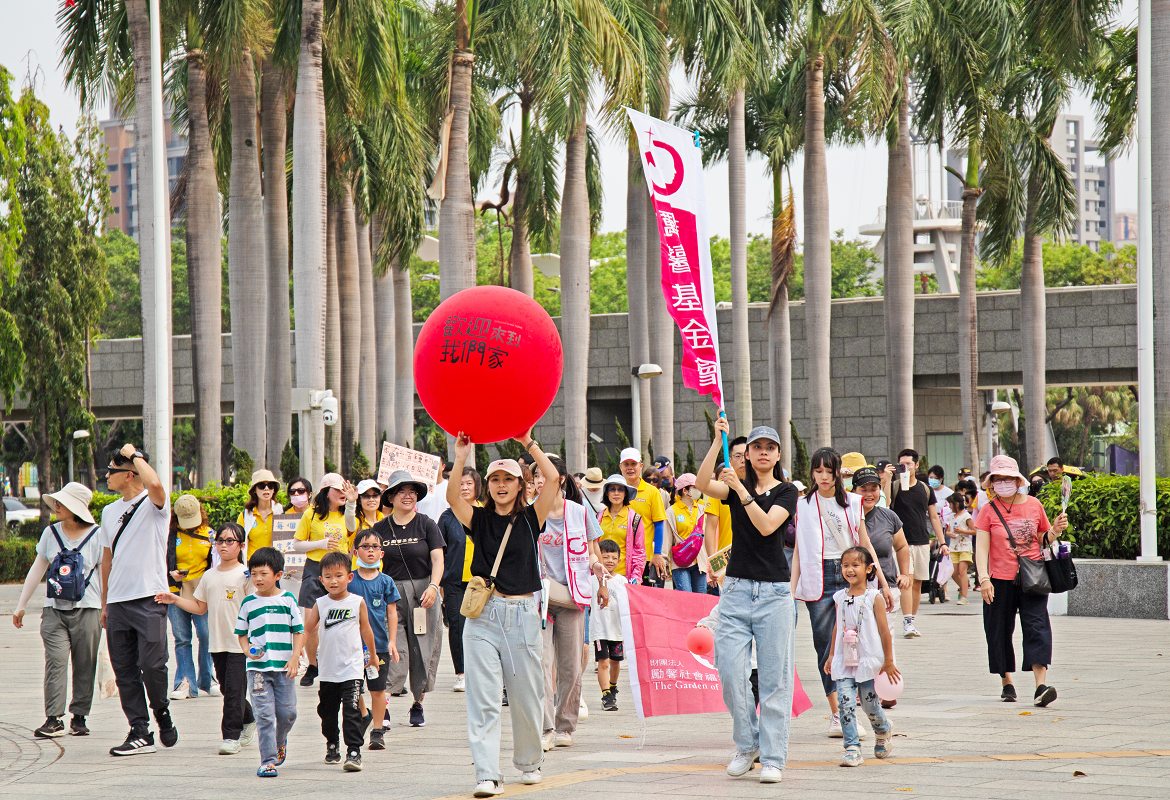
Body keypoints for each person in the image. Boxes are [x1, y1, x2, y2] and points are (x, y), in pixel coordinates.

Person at [447, 432, 560, 797]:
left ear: (520, 484)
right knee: (482, 698)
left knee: (528, 697)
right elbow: (452, 497)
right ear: (487, 485)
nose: (500, 485)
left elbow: (555, 479)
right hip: (482, 616)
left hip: (523, 614)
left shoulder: (531, 517)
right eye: (494, 479)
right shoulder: (478, 519)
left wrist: (528, 443)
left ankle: (529, 763)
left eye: (507, 479)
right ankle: (487, 773)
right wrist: (460, 456)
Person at [696, 421, 799, 785]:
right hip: (736, 591)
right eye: (757, 447)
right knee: (729, 673)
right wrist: (714, 442)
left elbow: (768, 525)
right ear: (748, 454)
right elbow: (699, 482)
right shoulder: (731, 488)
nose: (764, 452)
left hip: (774, 593)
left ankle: (773, 757)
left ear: (778, 454)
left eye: (770, 447)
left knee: (774, 680)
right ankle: (746, 744)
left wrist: (740, 489)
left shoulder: (787, 492)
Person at [792, 448, 893, 737]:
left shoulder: (852, 502)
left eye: (829, 471)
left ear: (839, 472)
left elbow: (865, 543)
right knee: (827, 646)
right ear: (811, 473)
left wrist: (883, 583)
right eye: (818, 471)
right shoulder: (803, 505)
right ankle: (838, 713)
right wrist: (791, 590)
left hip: (853, 574)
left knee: (863, 642)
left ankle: (868, 705)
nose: (823, 477)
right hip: (818, 576)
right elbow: (799, 548)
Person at [99, 444, 178, 756]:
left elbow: (155, 484)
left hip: (149, 598)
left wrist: (136, 455)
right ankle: (139, 729)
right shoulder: (108, 512)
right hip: (118, 601)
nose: (106, 476)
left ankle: (161, 712)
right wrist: (105, 603)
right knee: (124, 669)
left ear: (129, 474)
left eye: (111, 471)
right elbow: (107, 560)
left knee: (153, 664)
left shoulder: (153, 505)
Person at [154, 522, 256, 754]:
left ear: (240, 545)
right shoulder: (209, 576)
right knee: (229, 689)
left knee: (233, 691)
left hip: (240, 645)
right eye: (220, 541)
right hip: (217, 644)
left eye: (230, 541)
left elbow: (254, 608)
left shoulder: (246, 576)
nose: (224, 546)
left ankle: (231, 736)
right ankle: (249, 717)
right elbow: (200, 607)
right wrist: (175, 599)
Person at [974, 455, 1067, 707]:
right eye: (998, 479)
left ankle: (1040, 686)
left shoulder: (1034, 505)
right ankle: (1006, 681)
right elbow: (981, 548)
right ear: (992, 483)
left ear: (1018, 480)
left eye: (1008, 478)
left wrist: (1055, 531)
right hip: (998, 580)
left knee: (1037, 627)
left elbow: (1042, 538)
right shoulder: (988, 510)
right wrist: (984, 578)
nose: (1004, 483)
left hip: (1033, 576)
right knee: (998, 630)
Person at [13, 482, 103, 739]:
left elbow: (107, 573)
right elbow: (37, 569)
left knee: (85, 663)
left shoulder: (98, 535)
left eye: (62, 503)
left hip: (88, 608)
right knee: (56, 662)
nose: (57, 506)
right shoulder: (50, 533)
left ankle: (80, 716)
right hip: (54, 610)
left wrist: (108, 608)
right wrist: (21, 606)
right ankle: (54, 718)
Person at [533, 456, 606, 751]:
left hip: (572, 596)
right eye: (535, 475)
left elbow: (591, 551)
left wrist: (598, 572)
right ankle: (546, 726)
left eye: (545, 474)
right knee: (540, 664)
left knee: (570, 666)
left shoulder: (578, 512)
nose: (539, 480)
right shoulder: (530, 513)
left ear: (560, 478)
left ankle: (565, 725)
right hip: (538, 598)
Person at [371, 470, 445, 728]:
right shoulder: (379, 528)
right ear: (390, 497)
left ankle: (418, 703)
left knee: (423, 647)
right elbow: (368, 559)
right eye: (401, 491)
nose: (408, 496)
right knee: (394, 646)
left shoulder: (427, 524)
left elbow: (437, 558)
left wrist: (434, 587)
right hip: (390, 594)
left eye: (412, 491)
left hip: (424, 592)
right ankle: (386, 704)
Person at [303, 550, 379, 772]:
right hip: (327, 671)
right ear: (321, 580)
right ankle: (332, 744)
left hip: (352, 669)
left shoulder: (357, 602)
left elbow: (366, 630)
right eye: (328, 576)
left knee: (352, 710)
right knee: (327, 712)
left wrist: (373, 655)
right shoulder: (320, 603)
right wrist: (297, 651)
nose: (333, 581)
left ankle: (354, 751)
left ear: (349, 577)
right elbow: (307, 630)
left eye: (338, 575)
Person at [824, 547, 899, 767]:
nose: (849, 569)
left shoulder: (873, 597)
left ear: (868, 569)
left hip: (867, 658)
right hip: (844, 658)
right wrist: (831, 656)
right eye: (845, 565)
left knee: (869, 704)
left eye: (855, 565)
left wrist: (889, 661)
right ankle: (852, 748)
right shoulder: (839, 597)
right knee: (845, 703)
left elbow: (884, 631)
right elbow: (837, 627)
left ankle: (883, 729)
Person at [235, 547, 304, 777]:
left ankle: (279, 740)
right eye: (254, 574)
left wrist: (295, 656)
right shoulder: (248, 603)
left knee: (288, 713)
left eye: (263, 573)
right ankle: (268, 760)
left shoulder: (288, 600)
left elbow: (299, 631)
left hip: (284, 668)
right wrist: (247, 651)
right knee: (264, 714)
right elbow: (241, 633)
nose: (258, 579)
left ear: (277, 575)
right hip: (258, 670)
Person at [293, 473, 358, 687]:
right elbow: (297, 544)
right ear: (325, 491)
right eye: (337, 490)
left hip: (339, 569)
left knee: (341, 620)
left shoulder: (347, 513)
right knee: (311, 620)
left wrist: (351, 502)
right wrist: (319, 544)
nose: (341, 493)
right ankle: (312, 664)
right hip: (314, 569)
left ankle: (341, 663)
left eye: (344, 490)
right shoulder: (311, 514)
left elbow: (351, 527)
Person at [881, 449, 949, 638]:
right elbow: (885, 504)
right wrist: (886, 480)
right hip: (900, 542)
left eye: (909, 464)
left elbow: (934, 517)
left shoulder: (925, 488)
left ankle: (910, 620)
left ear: (917, 465)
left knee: (918, 583)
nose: (906, 467)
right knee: (905, 582)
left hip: (921, 540)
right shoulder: (894, 486)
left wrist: (942, 542)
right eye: (902, 464)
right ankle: (906, 619)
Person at [347, 530, 401, 750]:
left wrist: (392, 641)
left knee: (377, 690)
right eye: (365, 546)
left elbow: (392, 613)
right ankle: (363, 714)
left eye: (375, 547)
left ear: (382, 553)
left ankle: (377, 730)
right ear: (355, 551)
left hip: (378, 645)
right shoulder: (349, 579)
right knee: (354, 688)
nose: (370, 550)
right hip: (352, 646)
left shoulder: (386, 581)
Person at [166, 494, 215, 700]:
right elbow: (158, 560)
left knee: (206, 634)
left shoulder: (210, 534)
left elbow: (217, 561)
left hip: (202, 591)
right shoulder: (168, 534)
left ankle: (208, 678)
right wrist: (171, 572)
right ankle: (185, 680)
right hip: (176, 590)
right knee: (181, 637)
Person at [439, 467, 481, 693]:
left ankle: (481, 670)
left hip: (482, 582)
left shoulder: (485, 512)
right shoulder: (447, 517)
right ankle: (462, 672)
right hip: (454, 581)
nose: (464, 487)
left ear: (477, 486)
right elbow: (439, 551)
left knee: (482, 627)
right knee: (457, 626)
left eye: (469, 483)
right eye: (461, 483)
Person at [702, 436, 747, 596]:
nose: (742, 460)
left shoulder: (763, 487)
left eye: (745, 455)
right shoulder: (720, 490)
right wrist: (713, 563)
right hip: (727, 560)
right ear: (731, 460)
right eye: (737, 456)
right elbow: (711, 528)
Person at [617, 448, 668, 588]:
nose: (630, 468)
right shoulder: (614, 490)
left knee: (641, 599)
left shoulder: (652, 492)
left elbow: (659, 525)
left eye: (633, 464)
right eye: (626, 464)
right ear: (620, 467)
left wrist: (657, 554)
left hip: (642, 558)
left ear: (641, 466)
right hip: (617, 558)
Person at [590, 539, 625, 711]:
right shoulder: (592, 580)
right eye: (605, 557)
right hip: (600, 630)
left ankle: (612, 686)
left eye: (614, 557)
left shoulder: (622, 581)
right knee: (603, 663)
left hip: (617, 630)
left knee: (616, 662)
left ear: (619, 560)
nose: (610, 560)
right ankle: (606, 695)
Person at [596, 474, 646, 584]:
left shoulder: (635, 519)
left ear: (625, 493)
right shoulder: (598, 516)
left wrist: (636, 577)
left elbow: (639, 551)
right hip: (599, 575)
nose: (616, 493)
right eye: (612, 489)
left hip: (623, 577)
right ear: (607, 493)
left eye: (620, 489)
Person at [665, 473, 710, 594]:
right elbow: (667, 539)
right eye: (695, 487)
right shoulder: (671, 511)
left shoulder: (702, 508)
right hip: (680, 562)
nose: (699, 490)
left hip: (700, 561)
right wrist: (665, 561)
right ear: (685, 490)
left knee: (701, 598)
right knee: (685, 596)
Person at [239, 470, 284, 560]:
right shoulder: (245, 515)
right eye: (262, 486)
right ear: (254, 490)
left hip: (274, 563)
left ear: (274, 490)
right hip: (252, 565)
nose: (266, 489)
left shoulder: (281, 511)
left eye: (270, 486)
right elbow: (238, 541)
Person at [946, 493, 975, 604]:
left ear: (956, 504)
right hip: (954, 547)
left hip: (965, 547)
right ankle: (963, 586)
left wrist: (962, 531)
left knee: (962, 571)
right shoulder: (951, 516)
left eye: (951, 504)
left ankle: (964, 597)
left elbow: (975, 530)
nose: (949, 506)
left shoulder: (966, 516)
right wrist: (950, 534)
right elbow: (948, 530)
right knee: (953, 572)